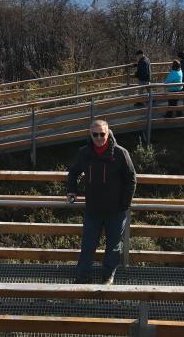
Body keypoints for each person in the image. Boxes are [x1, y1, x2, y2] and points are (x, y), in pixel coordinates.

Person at [67, 120, 137, 285]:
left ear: (108, 133)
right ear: (90, 135)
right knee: (87, 246)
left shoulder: (120, 153)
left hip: (116, 210)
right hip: (93, 209)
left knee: (113, 247)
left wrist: (124, 204)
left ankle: (108, 277)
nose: (99, 137)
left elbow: (131, 180)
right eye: (95, 134)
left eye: (102, 134)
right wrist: (72, 190)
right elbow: (73, 172)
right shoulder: (84, 153)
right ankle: (83, 278)